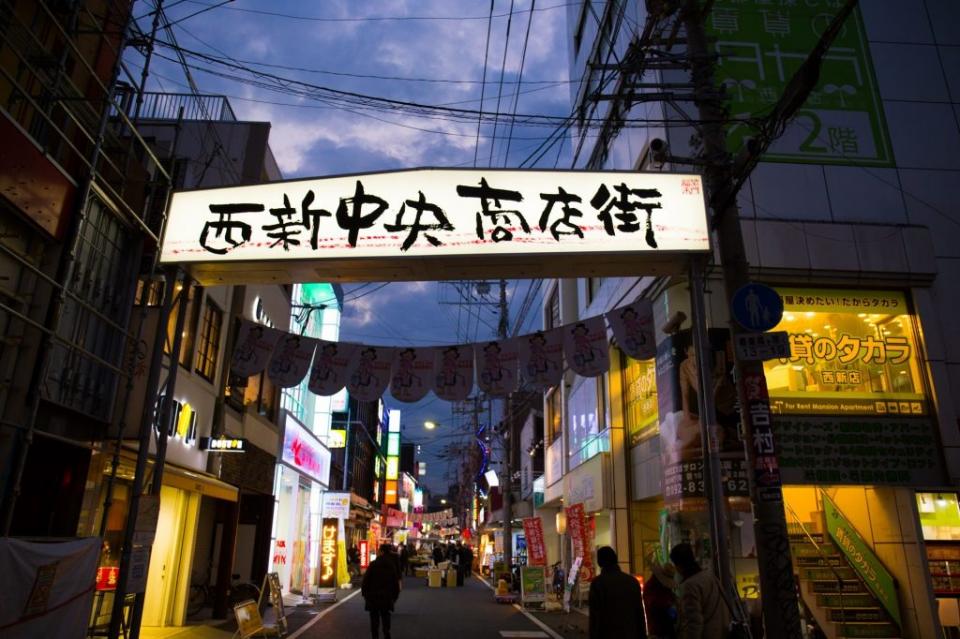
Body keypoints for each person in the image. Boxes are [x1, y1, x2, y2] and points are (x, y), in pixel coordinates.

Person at [669, 543, 730, 639]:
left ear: (679, 566)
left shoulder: (689, 586)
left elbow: (694, 622)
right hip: (723, 633)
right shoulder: (709, 576)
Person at [588, 546, 646, 639]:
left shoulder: (598, 583)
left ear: (599, 562)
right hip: (631, 634)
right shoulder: (632, 581)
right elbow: (640, 614)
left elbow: (595, 619)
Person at [362, 544, 401, 639]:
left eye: (379, 550)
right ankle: (386, 634)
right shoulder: (391, 565)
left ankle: (375, 636)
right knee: (385, 616)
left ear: (382, 551)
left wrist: (365, 595)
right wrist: (394, 597)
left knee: (374, 619)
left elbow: (365, 581)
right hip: (386, 596)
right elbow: (395, 583)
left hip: (373, 596)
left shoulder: (373, 564)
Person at [644, 561, 678, 639]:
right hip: (658, 631)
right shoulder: (652, 588)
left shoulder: (660, 587)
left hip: (663, 629)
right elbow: (655, 605)